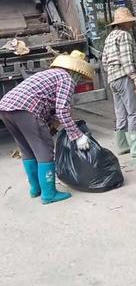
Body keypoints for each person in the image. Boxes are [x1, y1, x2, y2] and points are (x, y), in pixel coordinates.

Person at [0, 51, 94, 204]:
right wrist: (77, 135)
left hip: (5, 108)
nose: (79, 80)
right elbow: (62, 111)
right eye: (80, 76)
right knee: (44, 150)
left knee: (27, 149)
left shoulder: (50, 74)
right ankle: (49, 194)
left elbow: (50, 106)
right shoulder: (66, 79)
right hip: (26, 109)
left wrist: (52, 125)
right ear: (75, 71)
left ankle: (36, 189)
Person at [102, 7, 136, 158]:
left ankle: (123, 145)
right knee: (133, 112)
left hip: (112, 79)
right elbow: (126, 60)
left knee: (120, 113)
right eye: (130, 22)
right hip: (123, 77)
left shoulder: (110, 37)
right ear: (124, 23)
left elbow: (104, 61)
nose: (131, 24)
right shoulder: (124, 36)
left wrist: (111, 74)